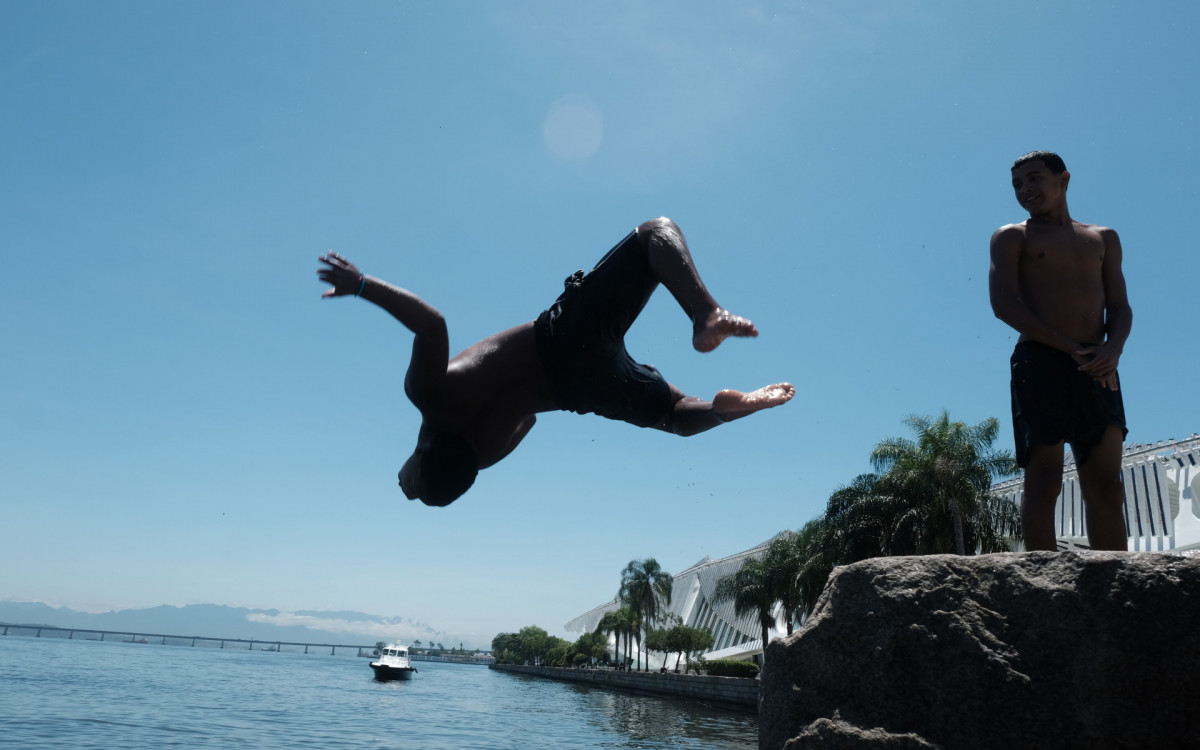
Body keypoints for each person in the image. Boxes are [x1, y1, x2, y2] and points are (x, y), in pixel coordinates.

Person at [318, 217, 794, 507]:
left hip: (576, 389)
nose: (407, 487)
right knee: (655, 235)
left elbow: (526, 424)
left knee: (672, 415)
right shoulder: (428, 394)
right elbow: (433, 326)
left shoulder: (482, 455)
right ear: (420, 454)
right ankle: (706, 314)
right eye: (414, 484)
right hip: (557, 336)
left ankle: (720, 408)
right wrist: (362, 285)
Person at [989, 151, 1133, 551]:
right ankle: (1042, 583)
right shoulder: (1012, 236)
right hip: (1042, 359)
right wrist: (1071, 348)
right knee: (1045, 476)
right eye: (1018, 184)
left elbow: (1119, 307)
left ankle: (1116, 584)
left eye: (1034, 179)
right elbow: (1004, 305)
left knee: (1107, 484)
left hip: (1099, 363)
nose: (1025, 190)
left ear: (1064, 179)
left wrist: (1113, 350)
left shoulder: (1103, 238)